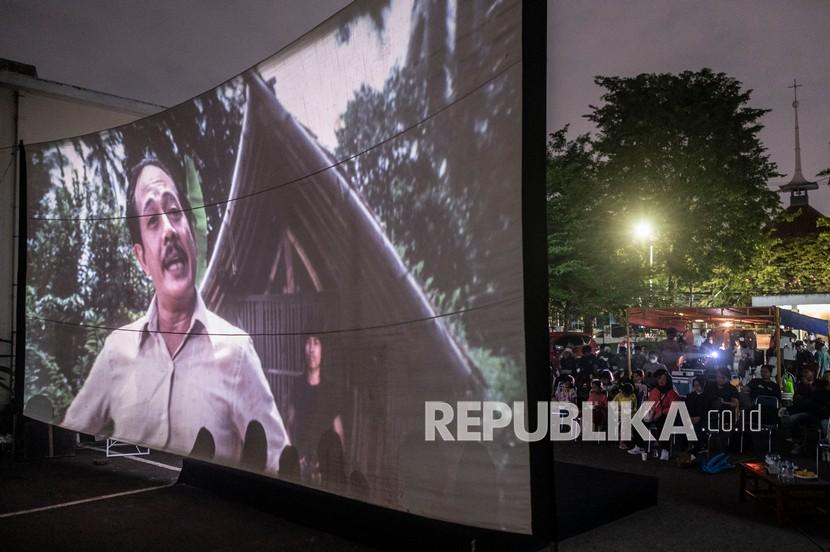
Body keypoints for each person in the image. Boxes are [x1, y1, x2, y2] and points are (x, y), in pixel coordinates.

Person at [62, 158, 288, 471]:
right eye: (152, 220)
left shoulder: (236, 352)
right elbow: (66, 442)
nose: (168, 230)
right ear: (141, 258)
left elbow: (279, 464)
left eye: (174, 211)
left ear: (191, 235)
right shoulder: (117, 350)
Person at [288, 335, 344, 480]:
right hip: (300, 466)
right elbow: (289, 424)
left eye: (316, 343)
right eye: (308, 343)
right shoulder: (297, 385)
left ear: (323, 350)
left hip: (324, 469)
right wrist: (292, 458)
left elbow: (338, 432)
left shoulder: (331, 389)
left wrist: (336, 467)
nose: (311, 349)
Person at [628, 368, 680, 461]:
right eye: (659, 378)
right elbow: (649, 402)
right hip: (653, 413)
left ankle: (665, 449)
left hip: (666, 415)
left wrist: (660, 413)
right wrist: (649, 413)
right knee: (636, 421)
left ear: (667, 379)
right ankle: (639, 446)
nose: (661, 381)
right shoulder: (654, 391)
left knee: (663, 423)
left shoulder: (672, 393)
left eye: (663, 378)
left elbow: (674, 407)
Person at [612, 382, 638, 450]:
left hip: (630, 414)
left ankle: (623, 441)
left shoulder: (633, 396)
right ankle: (622, 441)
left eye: (627, 393)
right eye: (624, 393)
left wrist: (632, 411)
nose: (625, 394)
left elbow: (635, 407)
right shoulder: (619, 395)